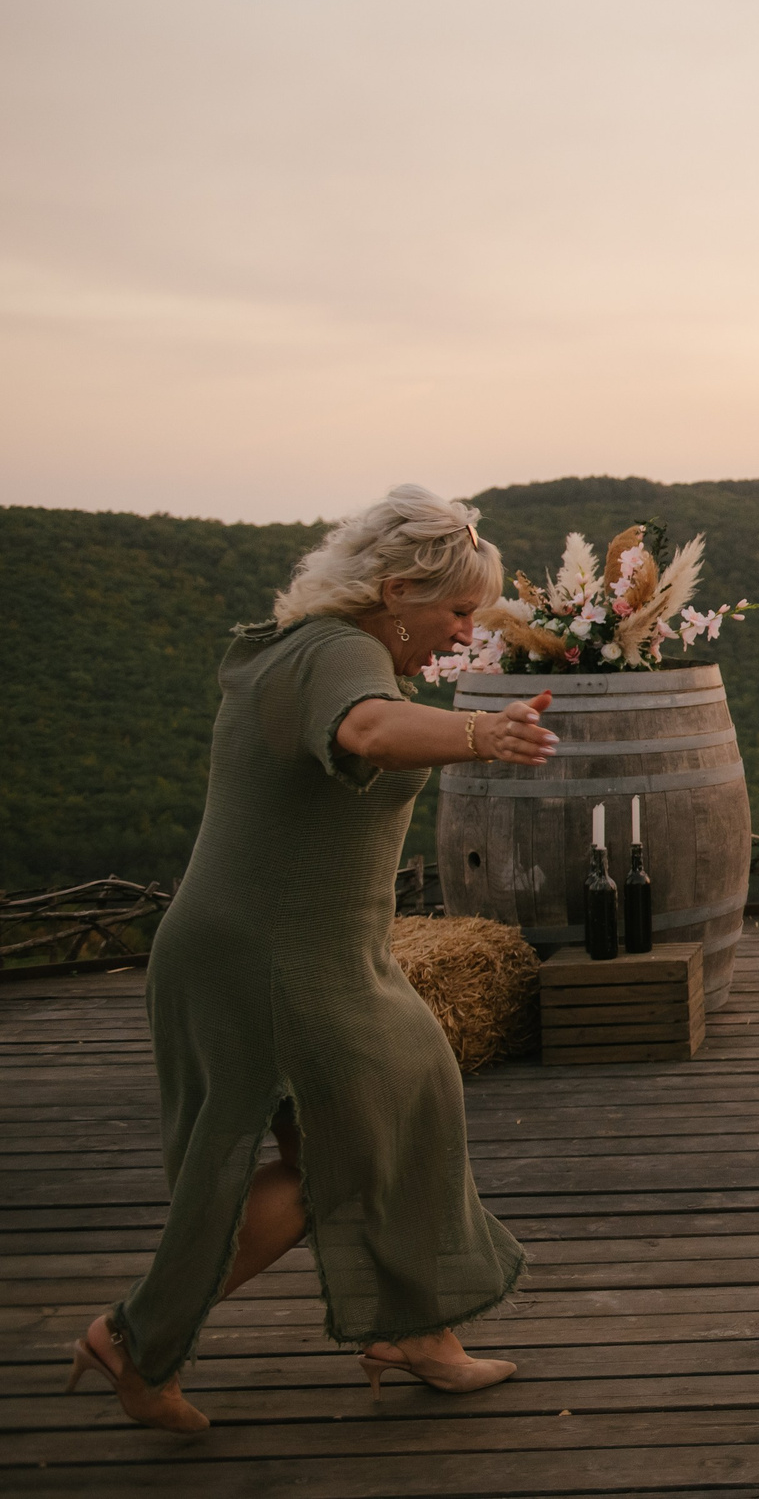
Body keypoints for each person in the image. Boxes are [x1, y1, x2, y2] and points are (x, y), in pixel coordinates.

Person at [66, 485, 558, 1433]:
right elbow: (366, 731)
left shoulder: (312, 647)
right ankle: (135, 1337)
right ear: (400, 589)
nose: (464, 631)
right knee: (335, 1161)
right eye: (457, 610)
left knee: (407, 1095)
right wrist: (479, 733)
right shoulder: (343, 654)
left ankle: (415, 1328)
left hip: (299, 948)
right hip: (269, 956)